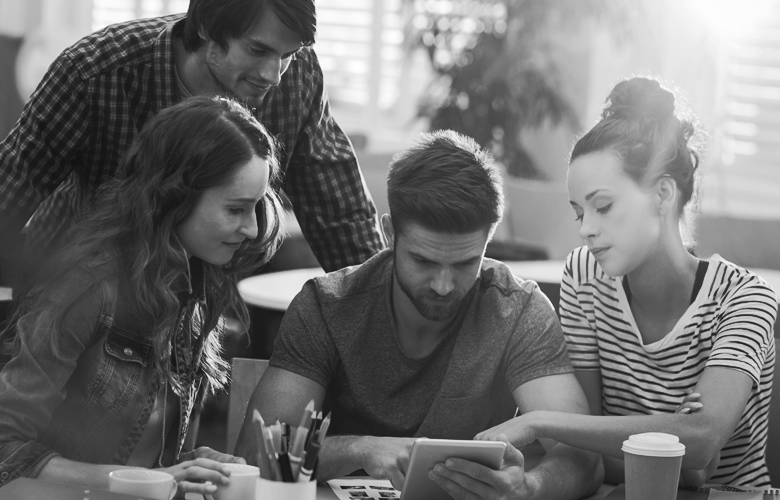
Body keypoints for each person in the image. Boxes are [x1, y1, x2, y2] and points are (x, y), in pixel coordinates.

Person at [235, 130, 603, 499]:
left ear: (487, 242)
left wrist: (528, 488)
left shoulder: (518, 311)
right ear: (390, 234)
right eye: (424, 261)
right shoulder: (326, 307)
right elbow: (256, 454)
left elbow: (586, 459)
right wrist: (362, 449)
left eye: (464, 263)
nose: (443, 285)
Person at [479, 77, 777, 488]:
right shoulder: (584, 275)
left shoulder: (746, 298)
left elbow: (704, 442)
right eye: (579, 213)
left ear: (662, 194)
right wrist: (673, 439)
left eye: (603, 206)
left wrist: (544, 421)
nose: (586, 230)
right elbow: (590, 455)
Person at [0, 96, 286, 497]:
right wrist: (156, 479)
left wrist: (191, 465)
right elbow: (5, 451)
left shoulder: (192, 285)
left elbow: (140, 452)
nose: (253, 229)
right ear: (175, 198)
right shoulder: (89, 287)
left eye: (257, 207)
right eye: (236, 209)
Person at [0, 0, 383, 285]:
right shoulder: (96, 71)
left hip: (196, 299)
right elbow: (12, 187)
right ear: (204, 30)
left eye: (288, 54)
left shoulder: (297, 78)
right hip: (77, 284)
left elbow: (340, 212)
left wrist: (383, 311)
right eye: (257, 50)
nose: (274, 75)